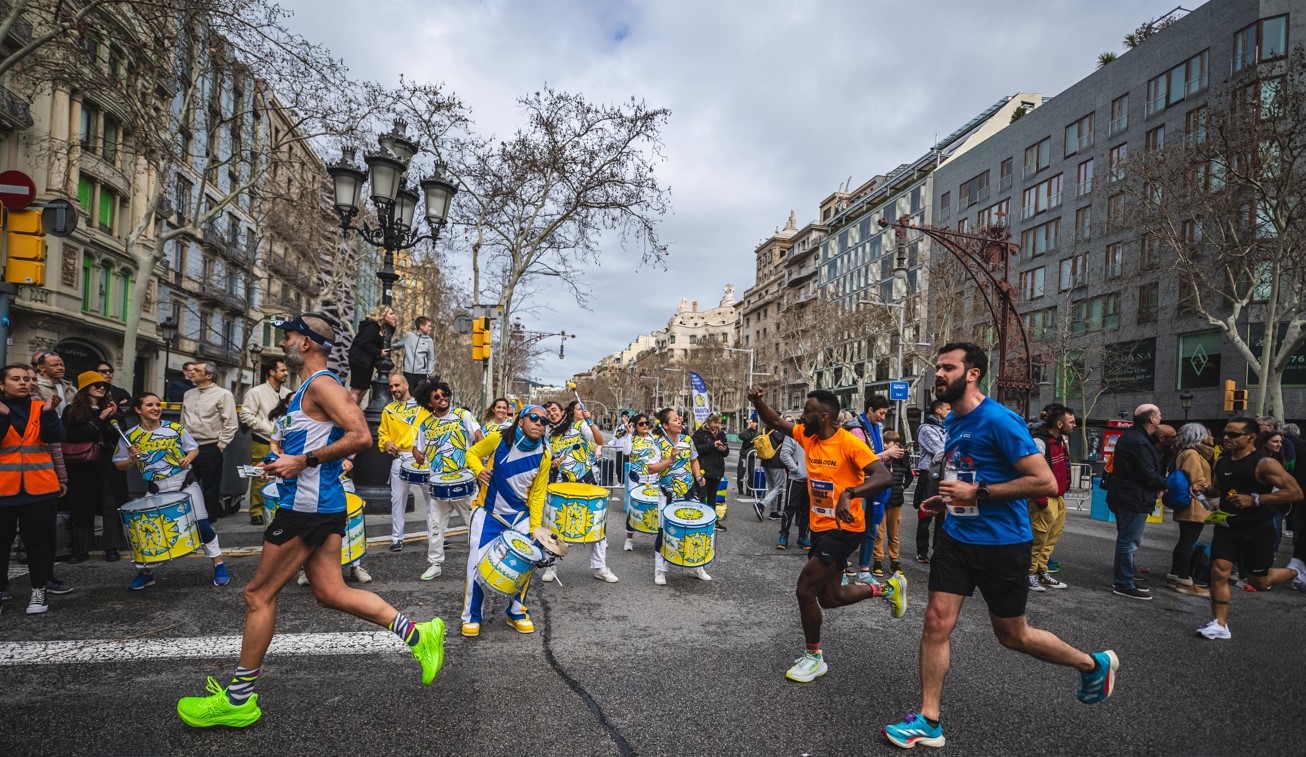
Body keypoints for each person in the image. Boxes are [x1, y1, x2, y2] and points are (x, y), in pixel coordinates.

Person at [176, 314, 445, 729]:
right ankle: (419, 634)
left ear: (305, 343)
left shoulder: (322, 385)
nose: (283, 340)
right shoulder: (307, 387)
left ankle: (239, 699)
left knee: (257, 595)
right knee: (330, 592)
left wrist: (302, 461)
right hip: (313, 502)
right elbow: (314, 441)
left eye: (288, 335)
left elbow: (361, 435)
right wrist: (280, 463)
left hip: (308, 508)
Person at [882, 344, 1118, 749]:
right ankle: (929, 720)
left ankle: (1092, 663)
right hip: (956, 537)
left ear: (972, 374)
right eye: (937, 368)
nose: (937, 374)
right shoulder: (954, 421)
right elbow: (971, 474)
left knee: (1013, 635)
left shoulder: (999, 420)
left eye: (947, 368)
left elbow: (1044, 482)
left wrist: (979, 493)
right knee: (936, 622)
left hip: (1003, 544)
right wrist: (950, 498)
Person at [747, 386, 905, 683]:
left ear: (823, 417)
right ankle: (887, 589)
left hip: (844, 528)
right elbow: (777, 423)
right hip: (821, 526)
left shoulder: (849, 444)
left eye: (806, 412)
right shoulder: (809, 435)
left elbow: (883, 476)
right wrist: (758, 402)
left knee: (805, 589)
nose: (801, 418)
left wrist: (850, 492)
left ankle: (814, 657)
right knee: (830, 598)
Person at [1192, 417, 1305, 640]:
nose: (1226, 438)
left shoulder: (1264, 463)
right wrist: (1203, 489)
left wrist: (1256, 500)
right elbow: (1216, 490)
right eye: (1225, 433)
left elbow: (1296, 493)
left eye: (1233, 435)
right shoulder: (1222, 462)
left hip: (1257, 530)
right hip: (1227, 526)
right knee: (1218, 572)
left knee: (1258, 582)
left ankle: (1296, 571)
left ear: (1251, 437)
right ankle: (1220, 624)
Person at [114, 392, 229, 590]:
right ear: (138, 409)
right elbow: (119, 464)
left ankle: (219, 565)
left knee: (202, 524)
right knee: (146, 531)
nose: (156, 408)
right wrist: (132, 460)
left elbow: (193, 448)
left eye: (158, 404)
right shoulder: (130, 436)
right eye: (150, 405)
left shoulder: (175, 428)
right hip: (155, 490)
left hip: (185, 485)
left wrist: (188, 459)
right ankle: (145, 573)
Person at [459, 406, 554, 637]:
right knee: (477, 566)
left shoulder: (544, 454)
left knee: (525, 565)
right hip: (488, 514)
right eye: (534, 418)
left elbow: (538, 494)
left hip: (519, 516)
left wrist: (534, 528)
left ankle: (516, 612)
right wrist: (479, 470)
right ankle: (472, 616)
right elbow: (470, 453)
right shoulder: (498, 438)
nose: (539, 423)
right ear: (520, 421)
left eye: (544, 420)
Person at [0, 365, 69, 616]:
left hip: (40, 488)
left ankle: (39, 590)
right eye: (16, 379)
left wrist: (50, 415)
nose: (25, 383)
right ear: (2, 384)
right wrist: (3, 417)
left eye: (29, 379)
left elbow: (57, 439)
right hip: (3, 490)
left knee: (39, 542)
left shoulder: (42, 407)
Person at [412, 378, 481, 581]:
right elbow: (417, 448)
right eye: (436, 397)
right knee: (435, 525)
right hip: (438, 483)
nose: (442, 398)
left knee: (475, 523)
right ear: (429, 402)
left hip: (463, 481)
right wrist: (416, 453)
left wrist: (480, 450)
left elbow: (478, 435)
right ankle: (435, 564)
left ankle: (480, 561)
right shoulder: (425, 425)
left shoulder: (462, 415)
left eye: (444, 394)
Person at [541, 400, 614, 583]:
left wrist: (590, 422)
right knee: (554, 526)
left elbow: (598, 441)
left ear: (562, 411)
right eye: (548, 412)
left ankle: (600, 567)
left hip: (586, 481)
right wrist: (552, 463)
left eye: (554, 410)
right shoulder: (548, 435)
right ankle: (550, 566)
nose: (552, 413)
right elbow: (546, 460)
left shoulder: (580, 425)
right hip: (561, 484)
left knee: (597, 523)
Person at [61, 371, 128, 563]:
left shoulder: (111, 408)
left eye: (104, 386)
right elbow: (74, 436)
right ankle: (81, 549)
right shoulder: (72, 410)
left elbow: (120, 437)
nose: (101, 388)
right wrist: (100, 418)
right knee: (82, 506)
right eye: (96, 385)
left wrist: (113, 417)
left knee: (110, 505)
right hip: (83, 464)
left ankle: (112, 547)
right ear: (84, 388)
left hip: (108, 463)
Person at [1106, 403, 1167, 601]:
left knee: (1128, 540)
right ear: (1152, 419)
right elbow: (1147, 473)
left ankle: (1126, 578)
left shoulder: (1136, 438)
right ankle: (1124, 583)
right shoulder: (1138, 441)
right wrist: (1165, 484)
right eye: (1158, 414)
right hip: (1132, 498)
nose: (1161, 417)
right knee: (1129, 541)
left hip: (1130, 496)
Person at [847, 395, 905, 581]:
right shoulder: (857, 429)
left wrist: (891, 455)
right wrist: (886, 453)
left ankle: (864, 570)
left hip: (875, 484)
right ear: (870, 410)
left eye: (885, 414)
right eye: (881, 413)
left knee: (872, 528)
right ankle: (841, 566)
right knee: (854, 527)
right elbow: (862, 459)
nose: (882, 417)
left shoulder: (877, 428)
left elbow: (875, 459)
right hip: (860, 484)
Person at [653, 407, 711, 584]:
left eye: (680, 419)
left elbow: (693, 460)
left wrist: (698, 476)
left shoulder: (687, 440)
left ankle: (697, 566)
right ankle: (660, 570)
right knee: (664, 531)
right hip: (667, 494)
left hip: (688, 492)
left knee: (694, 529)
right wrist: (670, 460)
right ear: (665, 425)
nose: (680, 422)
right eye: (675, 420)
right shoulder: (656, 443)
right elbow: (650, 467)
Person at [376, 373, 429, 555]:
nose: (394, 389)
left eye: (397, 385)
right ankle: (396, 538)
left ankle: (436, 535)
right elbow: (383, 434)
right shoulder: (388, 410)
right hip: (401, 458)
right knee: (397, 499)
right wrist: (386, 443)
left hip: (424, 458)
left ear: (406, 386)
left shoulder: (423, 406)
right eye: (391, 387)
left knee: (432, 499)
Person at [181, 362, 238, 522]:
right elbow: (183, 420)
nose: (192, 372)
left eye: (197, 370)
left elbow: (231, 423)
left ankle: (209, 522)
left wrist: (220, 447)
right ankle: (189, 520)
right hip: (188, 447)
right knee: (187, 485)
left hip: (210, 447)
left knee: (210, 489)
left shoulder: (223, 395)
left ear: (209, 375)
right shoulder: (188, 394)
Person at [1028, 404, 1075, 592]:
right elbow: (1032, 471)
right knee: (1038, 538)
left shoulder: (1059, 440)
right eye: (1071, 422)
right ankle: (1029, 574)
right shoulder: (1040, 441)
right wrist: (1040, 498)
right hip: (1043, 497)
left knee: (1051, 537)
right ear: (1059, 423)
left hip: (1057, 496)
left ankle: (1041, 571)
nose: (1074, 425)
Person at [240, 360, 291, 526]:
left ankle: (279, 508)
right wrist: (269, 429)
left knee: (284, 475)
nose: (286, 373)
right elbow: (246, 415)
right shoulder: (256, 392)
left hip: (284, 443)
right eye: (282, 370)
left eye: (286, 370)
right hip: (262, 440)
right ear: (271, 372)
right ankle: (256, 511)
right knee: (260, 475)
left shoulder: (288, 393)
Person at [1168, 423, 1214, 596]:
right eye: (1207, 433)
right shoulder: (1193, 454)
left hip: (1189, 502)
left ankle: (1175, 575)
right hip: (1195, 503)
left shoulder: (1185, 452)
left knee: (1185, 540)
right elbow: (1198, 480)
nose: (1211, 437)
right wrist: (1210, 488)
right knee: (1188, 541)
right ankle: (1184, 579)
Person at [624, 412, 672, 553]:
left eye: (647, 423)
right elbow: (626, 452)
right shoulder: (631, 439)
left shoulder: (654, 438)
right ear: (635, 426)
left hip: (654, 478)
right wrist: (628, 434)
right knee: (633, 508)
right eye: (641, 424)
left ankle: (659, 540)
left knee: (656, 509)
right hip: (636, 478)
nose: (645, 426)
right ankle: (629, 538)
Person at [872, 430, 915, 577]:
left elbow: (909, 476)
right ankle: (877, 560)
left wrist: (903, 487)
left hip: (896, 500)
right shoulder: (881, 457)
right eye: (883, 442)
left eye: (887, 442)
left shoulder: (903, 459)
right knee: (879, 532)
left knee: (894, 534)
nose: (884, 445)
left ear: (896, 444)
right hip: (880, 498)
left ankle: (894, 561)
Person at [914, 400, 949, 563]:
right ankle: (922, 551)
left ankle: (938, 550)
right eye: (948, 409)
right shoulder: (926, 428)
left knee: (942, 515)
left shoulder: (949, 427)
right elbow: (940, 450)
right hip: (928, 474)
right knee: (925, 515)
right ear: (938, 410)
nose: (951, 411)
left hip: (945, 474)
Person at [346, 305, 395, 405]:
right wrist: (378, 352)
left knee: (363, 390)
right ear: (383, 314)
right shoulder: (372, 326)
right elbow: (364, 342)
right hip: (360, 360)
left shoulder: (380, 327)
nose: (393, 316)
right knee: (356, 390)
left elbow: (385, 339)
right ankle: (349, 413)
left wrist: (393, 326)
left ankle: (354, 411)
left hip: (367, 361)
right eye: (390, 313)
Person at [776, 422, 810, 550]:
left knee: (807, 510)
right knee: (790, 508)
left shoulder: (817, 434)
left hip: (812, 480)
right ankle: (783, 535)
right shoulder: (794, 434)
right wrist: (796, 469)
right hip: (796, 479)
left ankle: (803, 537)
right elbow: (784, 454)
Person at [692, 412, 729, 520]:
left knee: (713, 497)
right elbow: (697, 450)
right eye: (715, 422)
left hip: (717, 470)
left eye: (719, 423)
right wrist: (712, 445)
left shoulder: (721, 433)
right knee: (701, 496)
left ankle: (712, 520)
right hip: (704, 470)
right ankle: (700, 520)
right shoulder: (700, 433)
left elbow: (726, 453)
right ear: (709, 421)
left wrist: (724, 449)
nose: (717, 425)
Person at [757, 423, 787, 519]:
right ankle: (761, 505)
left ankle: (773, 512)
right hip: (776, 462)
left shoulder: (765, 429)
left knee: (771, 487)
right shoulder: (777, 431)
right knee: (779, 487)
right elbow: (783, 440)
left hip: (765, 461)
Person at [399, 316, 436, 391]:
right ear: (421, 326)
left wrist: (429, 374)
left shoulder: (429, 341)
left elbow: (431, 359)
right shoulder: (409, 336)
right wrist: (382, 349)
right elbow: (397, 345)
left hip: (421, 374)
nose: (430, 328)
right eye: (428, 326)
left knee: (419, 398)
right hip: (407, 372)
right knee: (408, 396)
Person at [737, 417, 758, 495]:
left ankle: (749, 490)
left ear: (757, 423)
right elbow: (741, 436)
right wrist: (747, 429)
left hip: (752, 456)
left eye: (754, 422)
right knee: (740, 472)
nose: (752, 423)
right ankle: (740, 489)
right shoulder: (746, 431)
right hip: (744, 454)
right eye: (751, 422)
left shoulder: (758, 433)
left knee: (752, 473)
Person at [612, 411, 632, 485]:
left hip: (625, 449)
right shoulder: (618, 426)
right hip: (618, 449)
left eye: (627, 416)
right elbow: (615, 436)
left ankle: (624, 482)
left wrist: (626, 422)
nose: (625, 418)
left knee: (624, 467)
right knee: (618, 468)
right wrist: (613, 443)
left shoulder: (629, 425)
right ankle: (620, 481)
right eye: (624, 416)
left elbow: (629, 429)